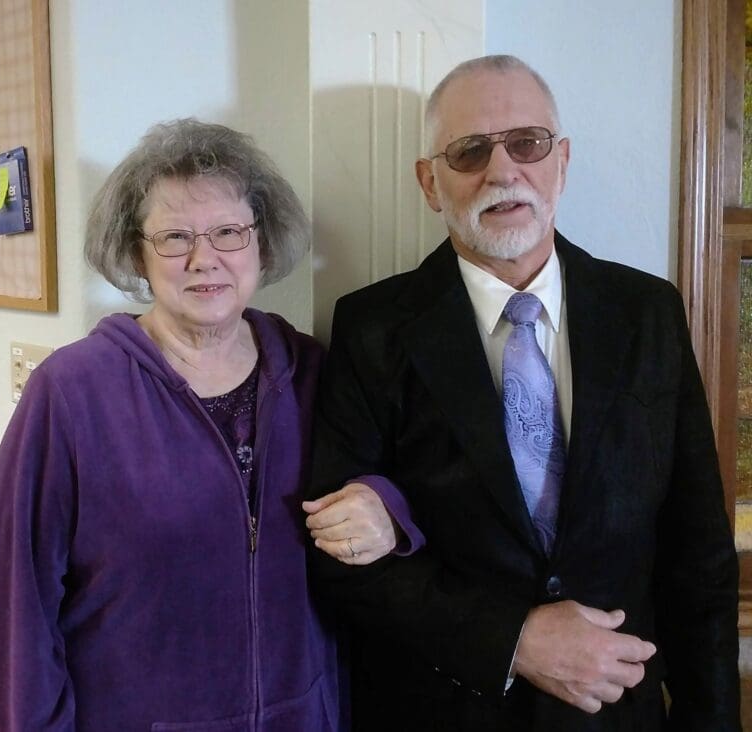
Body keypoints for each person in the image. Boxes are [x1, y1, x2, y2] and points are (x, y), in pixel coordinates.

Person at [307, 55, 741, 731]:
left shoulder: (647, 312)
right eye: (469, 151)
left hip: (616, 715)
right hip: (445, 711)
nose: (502, 170)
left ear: (561, 162)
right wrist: (513, 641)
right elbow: (341, 558)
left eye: (527, 143)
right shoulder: (371, 330)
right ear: (429, 182)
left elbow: (699, 555)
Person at [0, 119, 404, 731]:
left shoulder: (312, 370)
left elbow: (396, 480)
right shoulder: (71, 392)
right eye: (175, 237)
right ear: (136, 253)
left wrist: (388, 509)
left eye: (229, 232)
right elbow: (16, 604)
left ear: (262, 243)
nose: (204, 259)